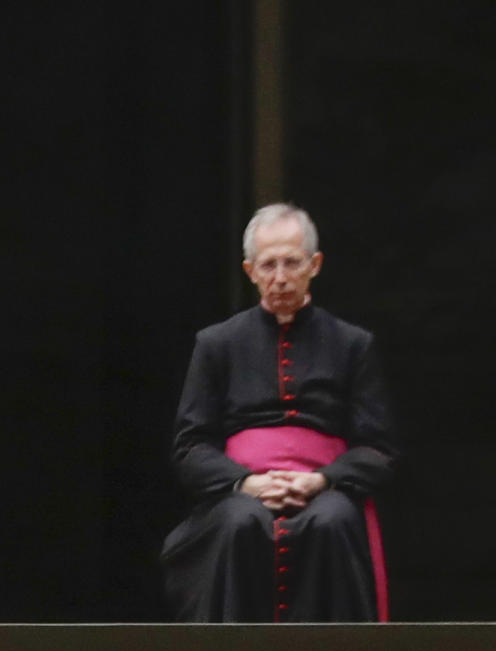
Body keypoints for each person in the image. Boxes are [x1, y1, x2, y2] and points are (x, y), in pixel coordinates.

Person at [164, 203, 400, 622]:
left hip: (325, 489)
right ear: (250, 270)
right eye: (268, 264)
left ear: (315, 265)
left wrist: (321, 480)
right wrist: (245, 483)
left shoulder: (352, 345)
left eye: (291, 262)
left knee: (331, 520)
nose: (279, 277)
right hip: (242, 492)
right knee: (239, 522)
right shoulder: (216, 344)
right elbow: (190, 447)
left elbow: (377, 448)